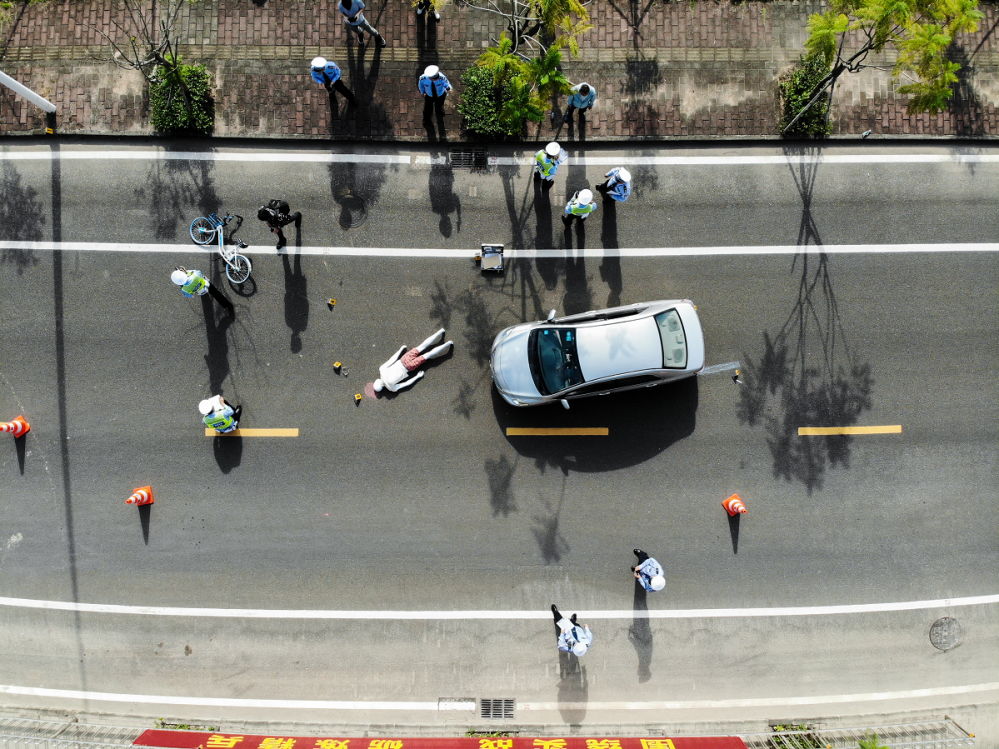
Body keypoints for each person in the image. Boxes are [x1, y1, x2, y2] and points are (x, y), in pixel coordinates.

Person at [374, 328, 453, 394]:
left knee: (427, 355)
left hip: (409, 367)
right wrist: (400, 350)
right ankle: (440, 331)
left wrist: (417, 377)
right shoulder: (382, 370)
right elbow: (392, 360)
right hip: (403, 359)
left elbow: (406, 383)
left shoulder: (391, 388)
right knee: (422, 346)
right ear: (377, 381)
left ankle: (447, 344)